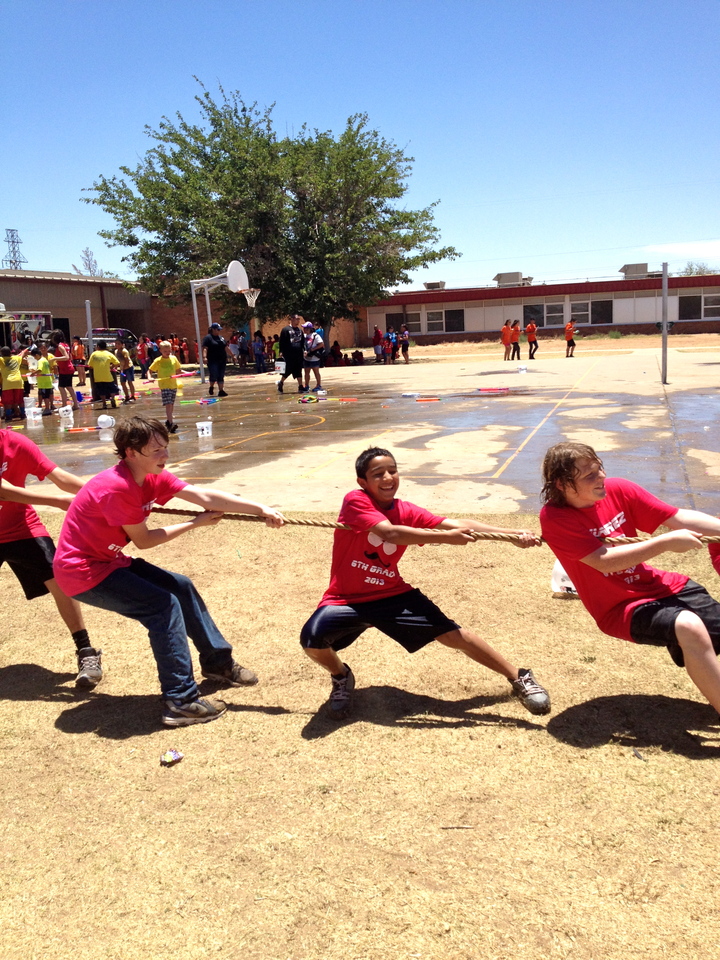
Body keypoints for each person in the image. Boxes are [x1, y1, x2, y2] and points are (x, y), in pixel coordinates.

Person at [52, 416, 284, 727]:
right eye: (157, 450)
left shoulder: (149, 475)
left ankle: (218, 663)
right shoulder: (116, 488)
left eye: (166, 447)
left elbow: (203, 496)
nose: (165, 456)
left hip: (108, 561)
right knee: (163, 607)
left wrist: (260, 508)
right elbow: (145, 541)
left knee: (180, 586)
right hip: (83, 572)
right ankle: (180, 700)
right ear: (131, 452)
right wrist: (194, 523)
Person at [299, 447, 551, 720]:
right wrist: (448, 538)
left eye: (392, 471)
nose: (388, 478)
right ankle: (341, 676)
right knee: (312, 641)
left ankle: (519, 677)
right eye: (378, 474)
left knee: (453, 636)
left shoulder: (406, 509)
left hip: (391, 595)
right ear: (363, 482)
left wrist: (513, 533)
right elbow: (390, 533)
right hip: (347, 599)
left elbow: (456, 524)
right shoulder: (355, 500)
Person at [540, 441, 720, 716]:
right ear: (562, 484)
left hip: (660, 585)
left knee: (705, 632)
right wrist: (664, 543)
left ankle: (688, 649)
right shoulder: (555, 517)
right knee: (690, 627)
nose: (601, 477)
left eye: (599, 469)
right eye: (589, 475)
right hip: (619, 607)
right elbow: (602, 562)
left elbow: (676, 517)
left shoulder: (619, 489)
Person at [0, 430, 104, 688]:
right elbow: (3, 491)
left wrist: (104, 497)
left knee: (60, 579)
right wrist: (57, 501)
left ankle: (86, 651)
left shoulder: (16, 443)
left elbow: (58, 476)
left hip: (20, 528)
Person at [148, 340, 181, 433]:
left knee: (171, 404)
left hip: (173, 385)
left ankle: (168, 421)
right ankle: (171, 423)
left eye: (169, 351)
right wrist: (150, 377)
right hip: (164, 386)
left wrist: (190, 373)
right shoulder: (158, 360)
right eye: (165, 351)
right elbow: (149, 370)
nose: (167, 353)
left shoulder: (173, 358)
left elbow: (179, 371)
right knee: (168, 404)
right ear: (160, 350)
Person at [88, 340, 120, 410]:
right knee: (112, 389)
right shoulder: (108, 354)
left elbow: (90, 365)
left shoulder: (94, 354)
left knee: (101, 391)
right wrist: (111, 367)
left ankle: (104, 404)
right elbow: (117, 363)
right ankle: (112, 399)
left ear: (98, 347)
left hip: (98, 377)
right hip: (108, 376)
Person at [277, 314, 305, 393]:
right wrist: (281, 352)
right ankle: (281, 383)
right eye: (297, 319)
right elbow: (281, 342)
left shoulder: (300, 331)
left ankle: (300, 386)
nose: (298, 321)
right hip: (289, 354)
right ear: (292, 319)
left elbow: (303, 342)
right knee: (288, 370)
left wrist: (305, 350)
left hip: (298, 354)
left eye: (299, 319)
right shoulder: (285, 330)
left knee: (298, 370)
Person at [50, 332, 77, 410]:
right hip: (69, 368)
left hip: (65, 369)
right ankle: (75, 404)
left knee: (61, 387)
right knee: (69, 387)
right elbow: (70, 357)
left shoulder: (60, 346)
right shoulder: (66, 345)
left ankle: (64, 404)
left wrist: (55, 358)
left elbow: (67, 357)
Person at [202, 323, 228, 397]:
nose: (219, 331)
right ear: (213, 329)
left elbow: (226, 347)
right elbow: (205, 348)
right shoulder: (208, 338)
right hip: (212, 360)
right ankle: (211, 387)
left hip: (222, 359)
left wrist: (232, 355)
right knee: (214, 373)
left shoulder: (221, 338)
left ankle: (221, 390)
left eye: (219, 329)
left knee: (221, 375)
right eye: (217, 329)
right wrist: (204, 357)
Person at [0, 347, 26, 422]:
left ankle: (8, 416)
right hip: (18, 382)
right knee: (20, 400)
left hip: (7, 383)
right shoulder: (16, 358)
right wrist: (24, 351)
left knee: (8, 401)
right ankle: (23, 414)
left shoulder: (1, 360)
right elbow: (22, 354)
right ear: (10, 352)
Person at [33, 345, 56, 415]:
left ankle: (47, 408)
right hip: (48, 381)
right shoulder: (45, 359)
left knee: (45, 396)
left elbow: (40, 370)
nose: (34, 358)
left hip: (44, 383)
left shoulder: (40, 361)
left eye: (34, 357)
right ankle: (48, 407)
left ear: (37, 355)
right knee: (48, 395)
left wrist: (33, 373)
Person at [302, 321, 324, 392]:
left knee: (316, 372)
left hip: (314, 358)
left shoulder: (315, 335)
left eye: (306, 328)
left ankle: (318, 385)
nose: (304, 329)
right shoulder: (304, 336)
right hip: (307, 358)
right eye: (304, 328)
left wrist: (313, 349)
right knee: (306, 372)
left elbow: (321, 344)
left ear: (310, 329)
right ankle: (306, 385)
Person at [115, 337, 136, 404]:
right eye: (116, 344)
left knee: (130, 382)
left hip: (128, 367)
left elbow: (126, 360)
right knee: (122, 382)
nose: (117, 345)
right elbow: (117, 361)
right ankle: (127, 396)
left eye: (118, 344)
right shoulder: (116, 351)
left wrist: (124, 367)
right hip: (122, 369)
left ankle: (132, 395)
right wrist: (117, 367)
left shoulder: (124, 351)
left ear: (122, 344)